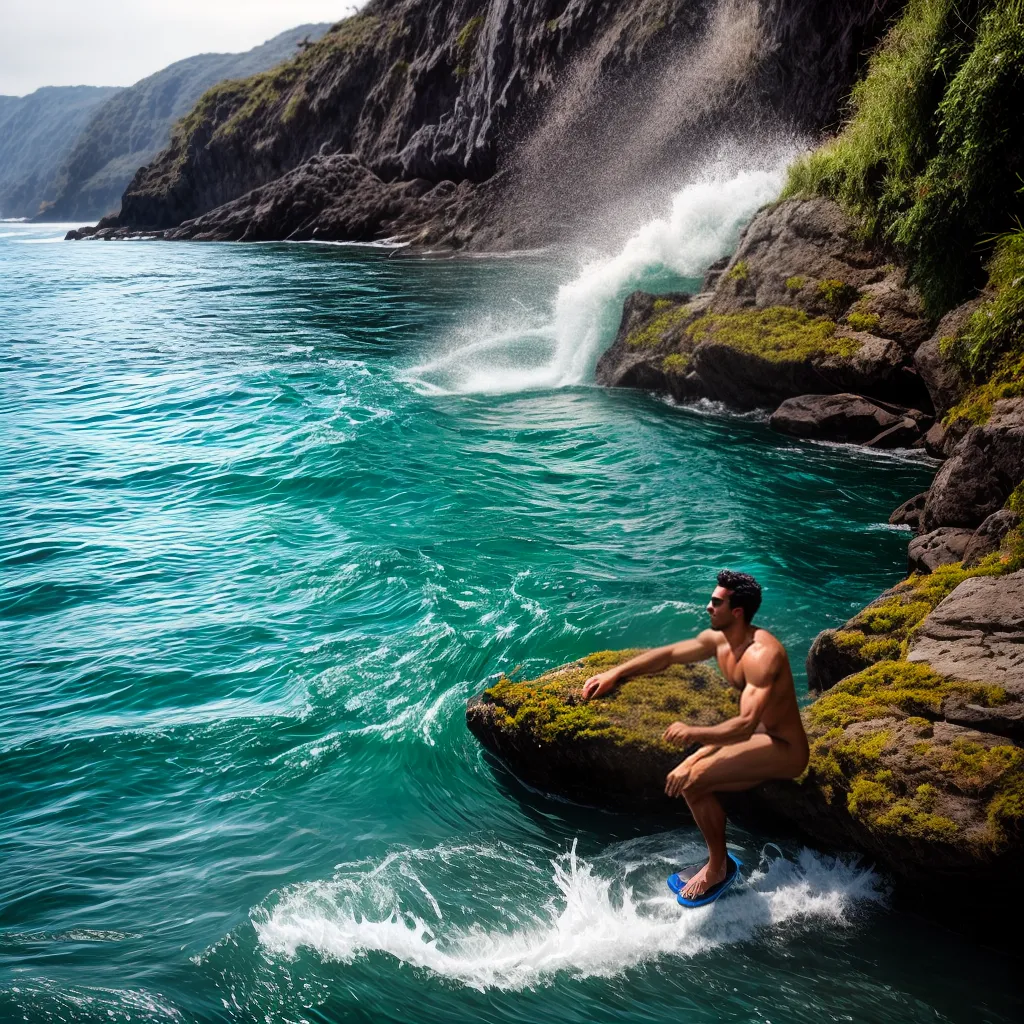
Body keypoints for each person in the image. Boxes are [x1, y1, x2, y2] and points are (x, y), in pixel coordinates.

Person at [580, 570, 809, 900]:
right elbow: (670, 654)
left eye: (716, 602)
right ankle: (717, 850)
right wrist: (616, 672)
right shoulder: (721, 640)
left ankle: (718, 867)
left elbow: (745, 723)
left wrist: (693, 733)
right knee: (688, 771)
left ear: (737, 612)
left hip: (784, 749)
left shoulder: (762, 656)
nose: (708, 607)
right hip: (759, 735)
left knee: (691, 780)